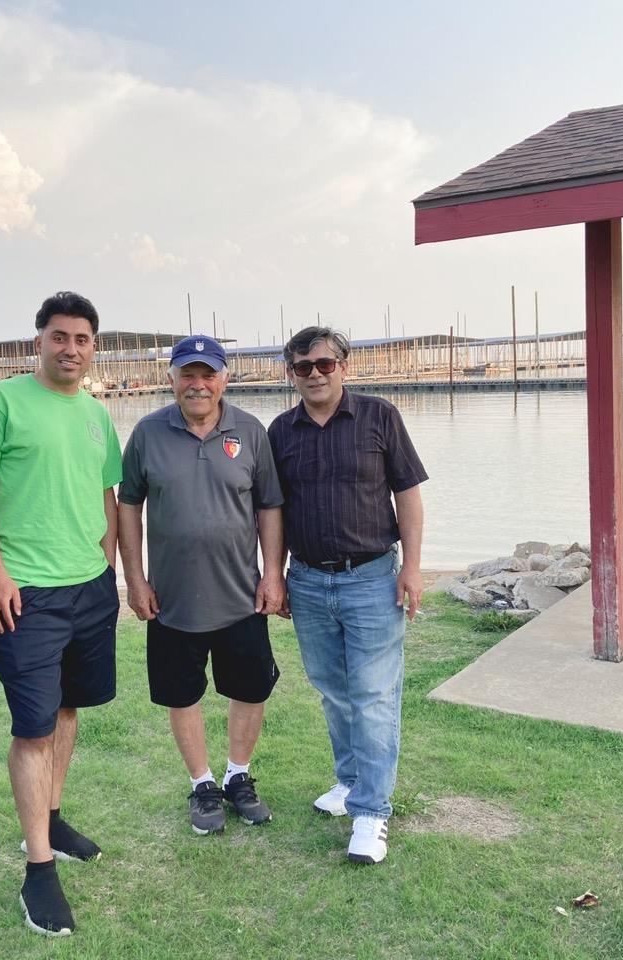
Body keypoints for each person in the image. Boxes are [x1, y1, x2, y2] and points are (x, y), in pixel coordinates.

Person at [0, 291, 121, 937]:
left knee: (67, 710)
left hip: (89, 588)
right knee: (32, 730)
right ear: (39, 341)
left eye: (82, 339)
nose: (71, 349)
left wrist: (107, 563)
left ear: (92, 348)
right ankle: (37, 869)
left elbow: (105, 494)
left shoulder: (95, 414)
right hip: (25, 593)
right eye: (60, 336)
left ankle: (52, 817)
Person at [267, 326, 427, 865]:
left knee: (375, 695)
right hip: (308, 581)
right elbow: (274, 511)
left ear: (343, 365)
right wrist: (276, 575)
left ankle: (371, 813)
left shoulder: (380, 417)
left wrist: (414, 567)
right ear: (290, 373)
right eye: (302, 367)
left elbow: (407, 494)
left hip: (373, 577)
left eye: (323, 364)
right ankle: (352, 781)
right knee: (333, 691)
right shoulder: (280, 431)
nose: (314, 374)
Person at [118, 335, 285, 835]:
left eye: (207, 374)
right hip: (171, 600)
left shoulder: (250, 431)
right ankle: (202, 784)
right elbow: (129, 505)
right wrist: (135, 578)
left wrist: (273, 572)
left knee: (250, 688)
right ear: (170, 379)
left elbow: (269, 505)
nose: (197, 384)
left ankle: (238, 776)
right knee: (181, 693)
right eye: (187, 374)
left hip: (241, 595)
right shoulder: (147, 433)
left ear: (224, 378)